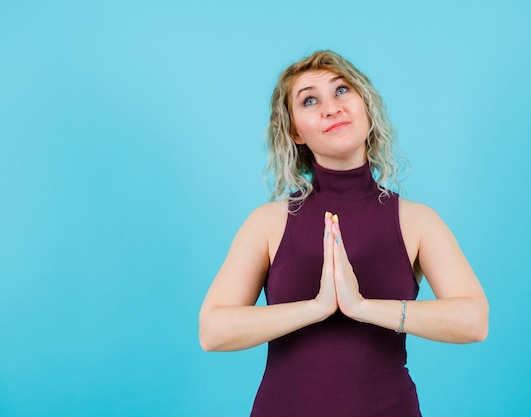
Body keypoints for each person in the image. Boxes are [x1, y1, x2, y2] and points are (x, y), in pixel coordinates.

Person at [198, 50, 489, 416]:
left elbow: (474, 320)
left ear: (365, 105)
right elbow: (213, 330)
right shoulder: (269, 223)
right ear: (294, 131)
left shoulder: (417, 221)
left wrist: (363, 307)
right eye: (309, 100)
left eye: (341, 91)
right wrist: (317, 308)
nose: (331, 108)